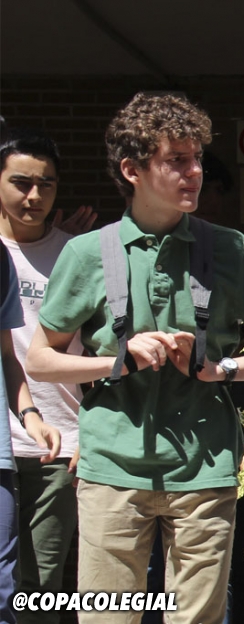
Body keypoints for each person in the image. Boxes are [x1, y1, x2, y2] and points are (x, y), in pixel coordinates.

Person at [26, 92, 244, 623]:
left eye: (196, 157)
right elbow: (40, 361)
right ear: (132, 170)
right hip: (111, 466)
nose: (194, 172)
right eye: (177, 160)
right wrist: (118, 361)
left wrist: (221, 369)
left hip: (204, 466)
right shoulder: (88, 253)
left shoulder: (229, 248)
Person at [0, 130, 84, 624]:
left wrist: (90, 433)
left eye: (46, 185)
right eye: (21, 183)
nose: (34, 196)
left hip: (60, 442)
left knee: (40, 587)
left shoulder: (76, 255)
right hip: (3, 439)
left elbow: (103, 351)